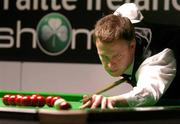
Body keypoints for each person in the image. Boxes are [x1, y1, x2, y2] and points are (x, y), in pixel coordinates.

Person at [80, 3, 177, 109]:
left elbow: (147, 94)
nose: (110, 65)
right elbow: (129, 7)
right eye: (104, 57)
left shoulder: (155, 59)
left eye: (117, 56)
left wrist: (112, 101)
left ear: (132, 45)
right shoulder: (124, 22)